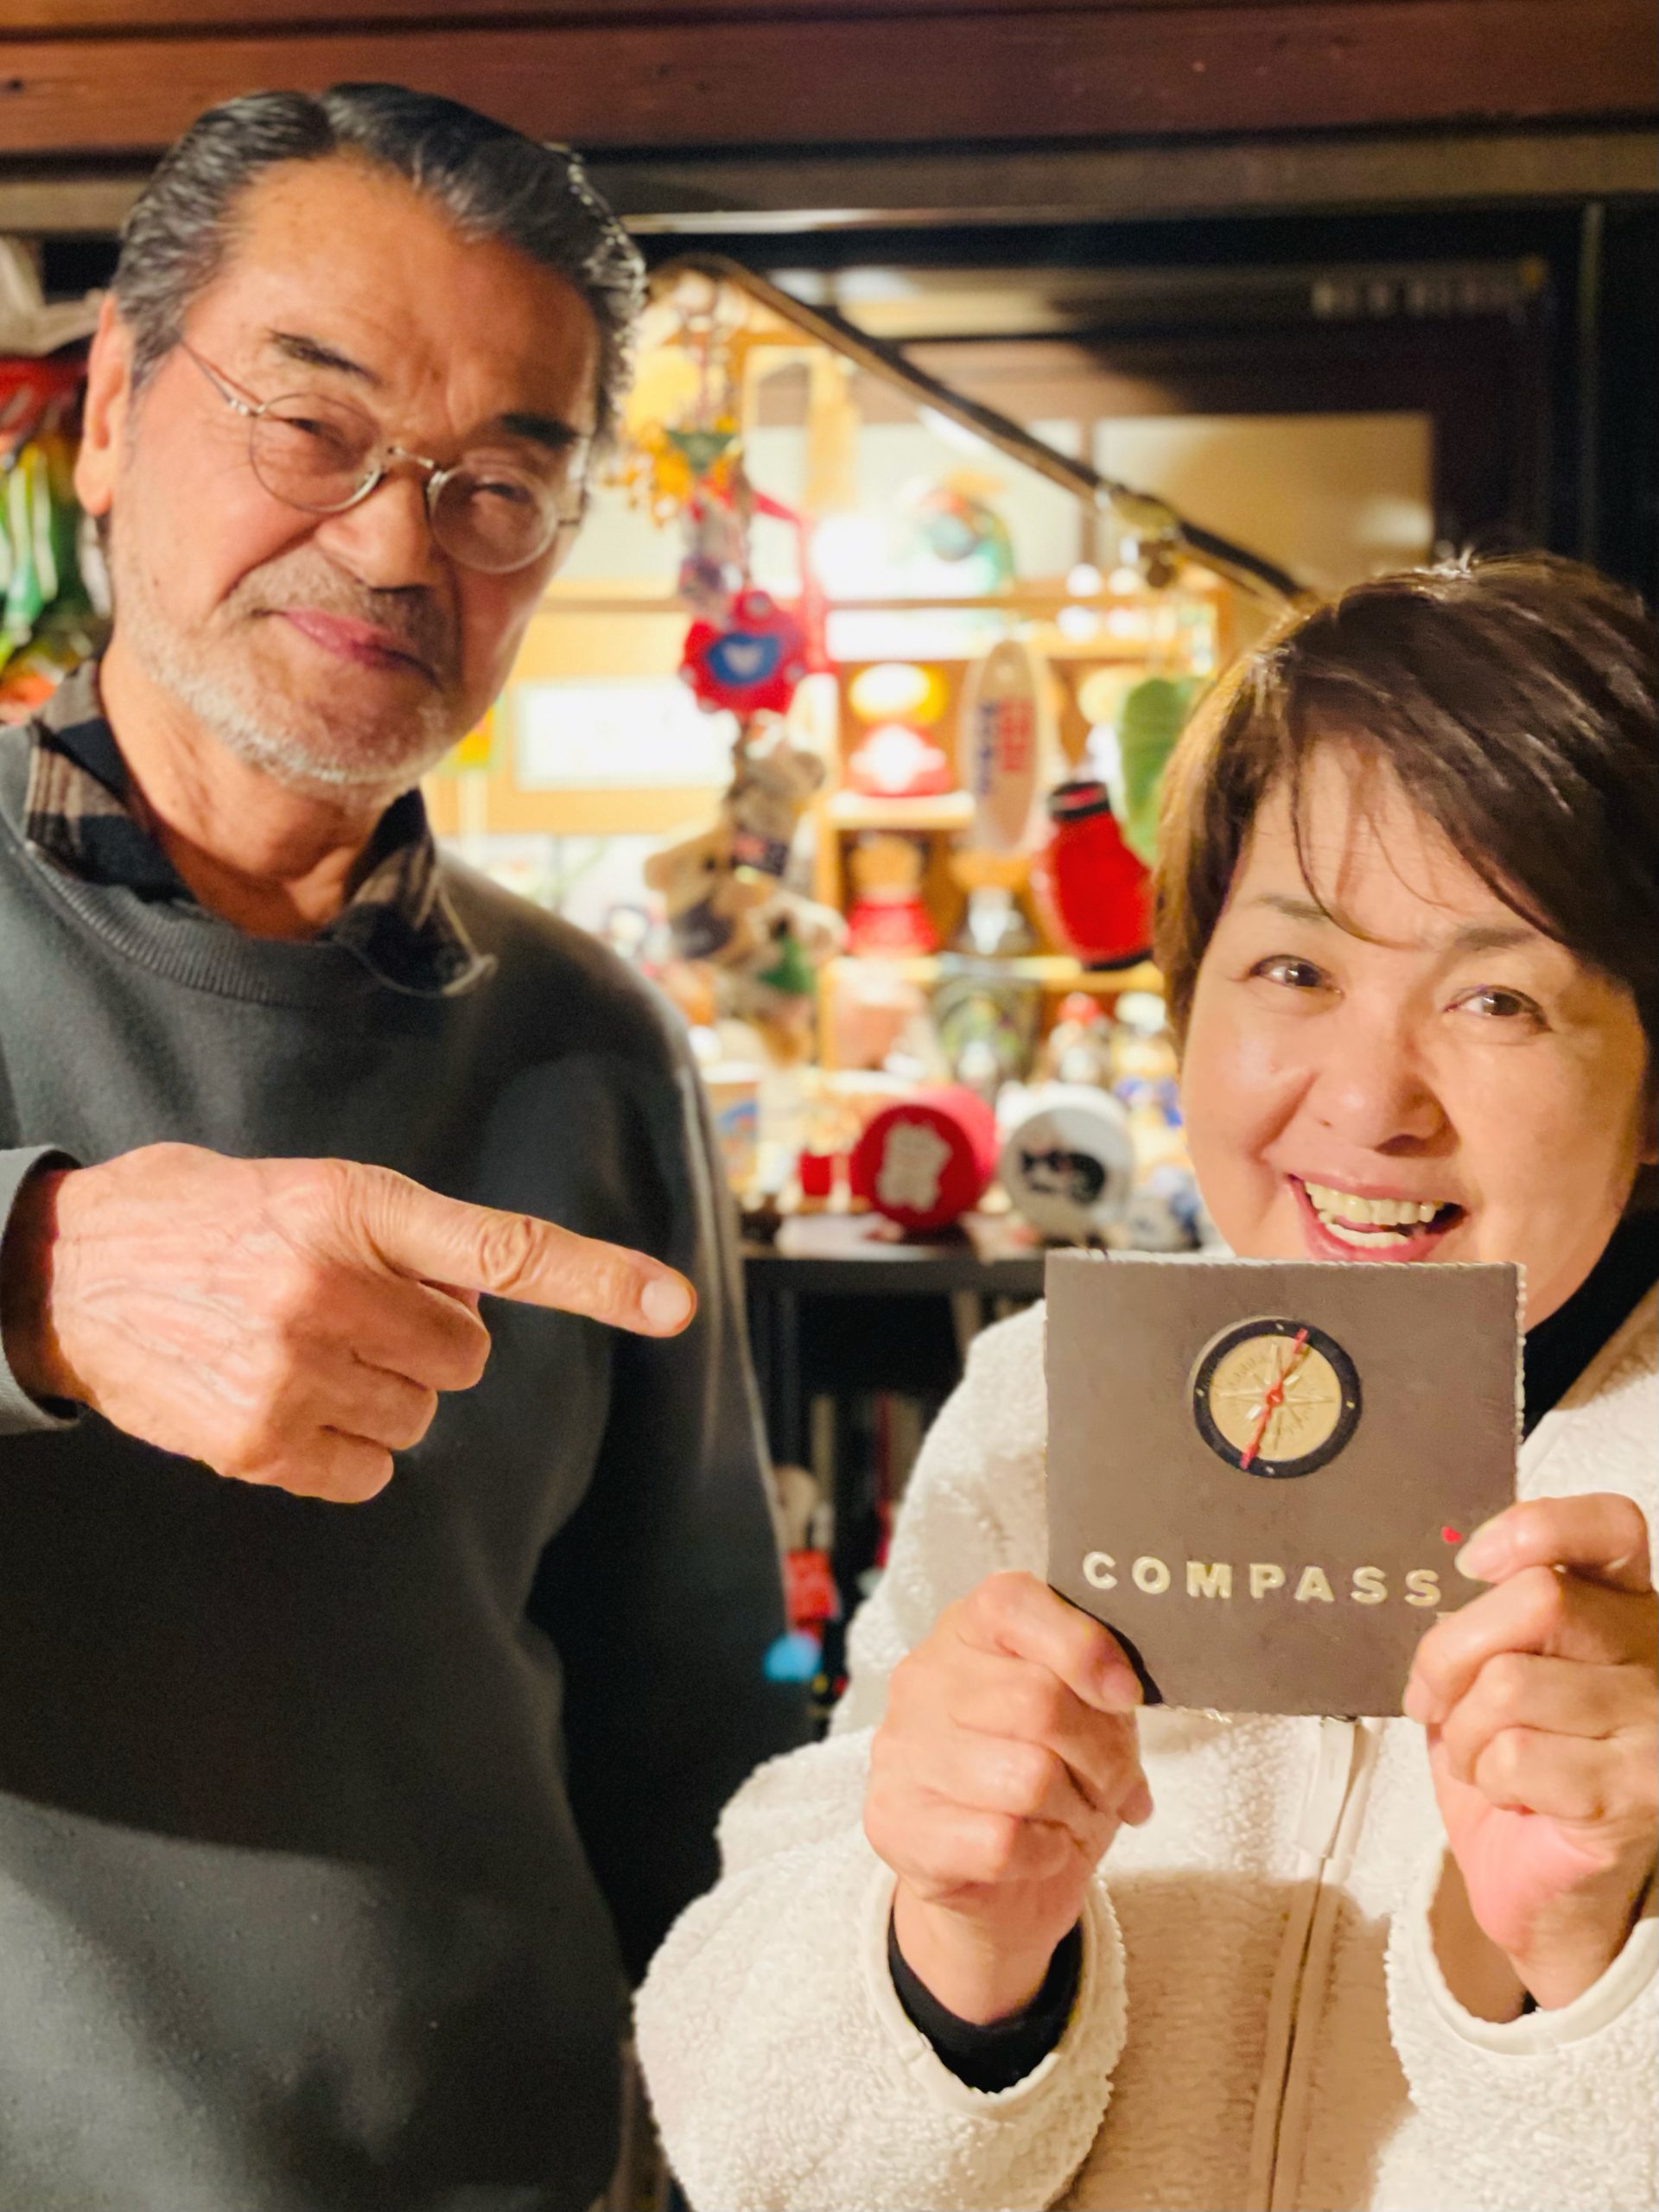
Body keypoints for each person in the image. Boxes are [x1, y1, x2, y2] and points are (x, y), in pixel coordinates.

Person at [0, 86, 800, 2212]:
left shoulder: (590, 1038)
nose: (391, 546)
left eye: (498, 487)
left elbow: (694, 1726)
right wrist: (37, 1273)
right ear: (111, 409)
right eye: (311, 425)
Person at [637, 554, 1659, 2212]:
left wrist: (1593, 1967)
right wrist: (950, 1951)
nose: (1370, 1102)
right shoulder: (1045, 1410)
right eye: (1295, 971)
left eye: (1500, 997)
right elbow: (757, 2137)